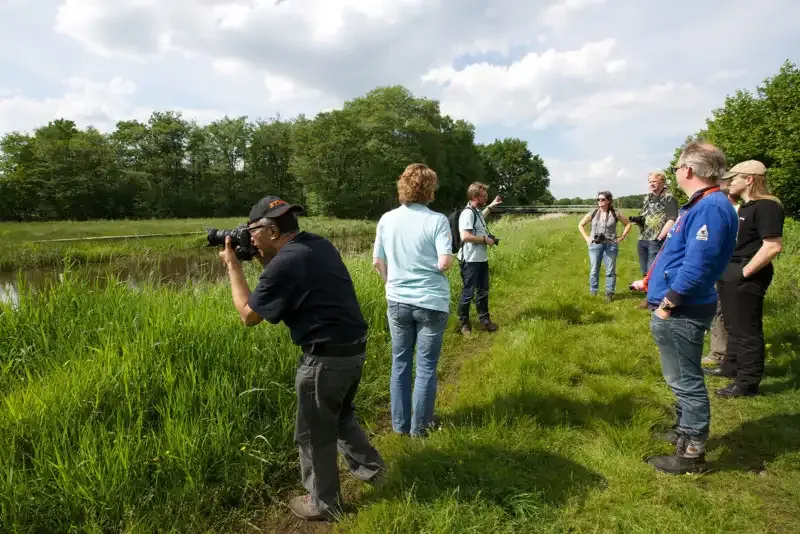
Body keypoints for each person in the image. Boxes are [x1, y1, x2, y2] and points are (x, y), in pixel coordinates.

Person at [219, 196, 384, 521]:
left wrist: (233, 265)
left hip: (324, 361)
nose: (249, 238)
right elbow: (284, 277)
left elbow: (249, 315)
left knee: (313, 432)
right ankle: (375, 473)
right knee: (339, 418)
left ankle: (323, 503)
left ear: (271, 230)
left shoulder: (285, 263)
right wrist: (258, 257)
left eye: (252, 231)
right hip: (352, 350)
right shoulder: (315, 245)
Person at [631, 141, 738, 474]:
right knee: (681, 376)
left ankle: (691, 453)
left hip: (683, 309)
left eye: (677, 167)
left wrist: (668, 303)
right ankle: (683, 431)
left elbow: (698, 265)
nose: (676, 172)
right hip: (683, 305)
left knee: (686, 381)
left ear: (689, 170)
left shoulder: (711, 207)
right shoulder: (703, 204)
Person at [373, 163, 454, 437]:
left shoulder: (386, 219)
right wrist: (440, 263)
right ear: (430, 190)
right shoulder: (437, 221)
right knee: (427, 366)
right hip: (431, 301)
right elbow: (444, 262)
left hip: (397, 300)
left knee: (400, 362)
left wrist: (391, 282)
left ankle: (399, 426)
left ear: (403, 187)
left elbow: (377, 261)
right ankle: (420, 429)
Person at [704, 160, 784, 397]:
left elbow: (772, 246)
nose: (730, 182)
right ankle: (731, 368)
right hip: (732, 272)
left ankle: (747, 382)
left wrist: (744, 273)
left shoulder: (767, 206)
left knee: (746, 330)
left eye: (734, 178)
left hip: (747, 275)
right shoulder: (746, 207)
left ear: (749, 179)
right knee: (732, 325)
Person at [457, 182, 502, 335]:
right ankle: (464, 324)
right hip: (470, 261)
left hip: (481, 259)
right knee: (468, 293)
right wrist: (485, 240)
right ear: (475, 197)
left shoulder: (476, 211)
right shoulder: (467, 213)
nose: (486, 197)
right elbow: (465, 236)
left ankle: (485, 320)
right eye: (484, 196)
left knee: (483, 292)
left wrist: (491, 205)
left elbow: (480, 218)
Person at [702, 190, 740, 366]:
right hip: (723, 267)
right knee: (720, 310)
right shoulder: (735, 211)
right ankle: (727, 353)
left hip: (728, 267)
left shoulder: (732, 211)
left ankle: (721, 353)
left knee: (721, 310)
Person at [577, 191, 632, 302]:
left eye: (602, 199)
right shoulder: (593, 212)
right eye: (598, 199)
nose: (600, 202)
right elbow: (580, 224)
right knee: (594, 270)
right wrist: (587, 238)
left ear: (609, 201)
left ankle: (609, 293)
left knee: (610, 270)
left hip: (611, 245)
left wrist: (621, 237)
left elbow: (628, 224)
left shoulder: (615, 213)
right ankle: (593, 292)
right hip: (595, 245)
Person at [634, 172, 678, 308]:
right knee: (644, 270)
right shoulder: (647, 198)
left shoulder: (669, 198)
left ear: (662, 182)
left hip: (656, 238)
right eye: (650, 182)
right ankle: (649, 295)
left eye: (655, 181)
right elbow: (645, 214)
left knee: (653, 270)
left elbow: (672, 218)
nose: (652, 184)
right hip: (643, 237)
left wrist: (661, 236)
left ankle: (652, 299)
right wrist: (639, 220)